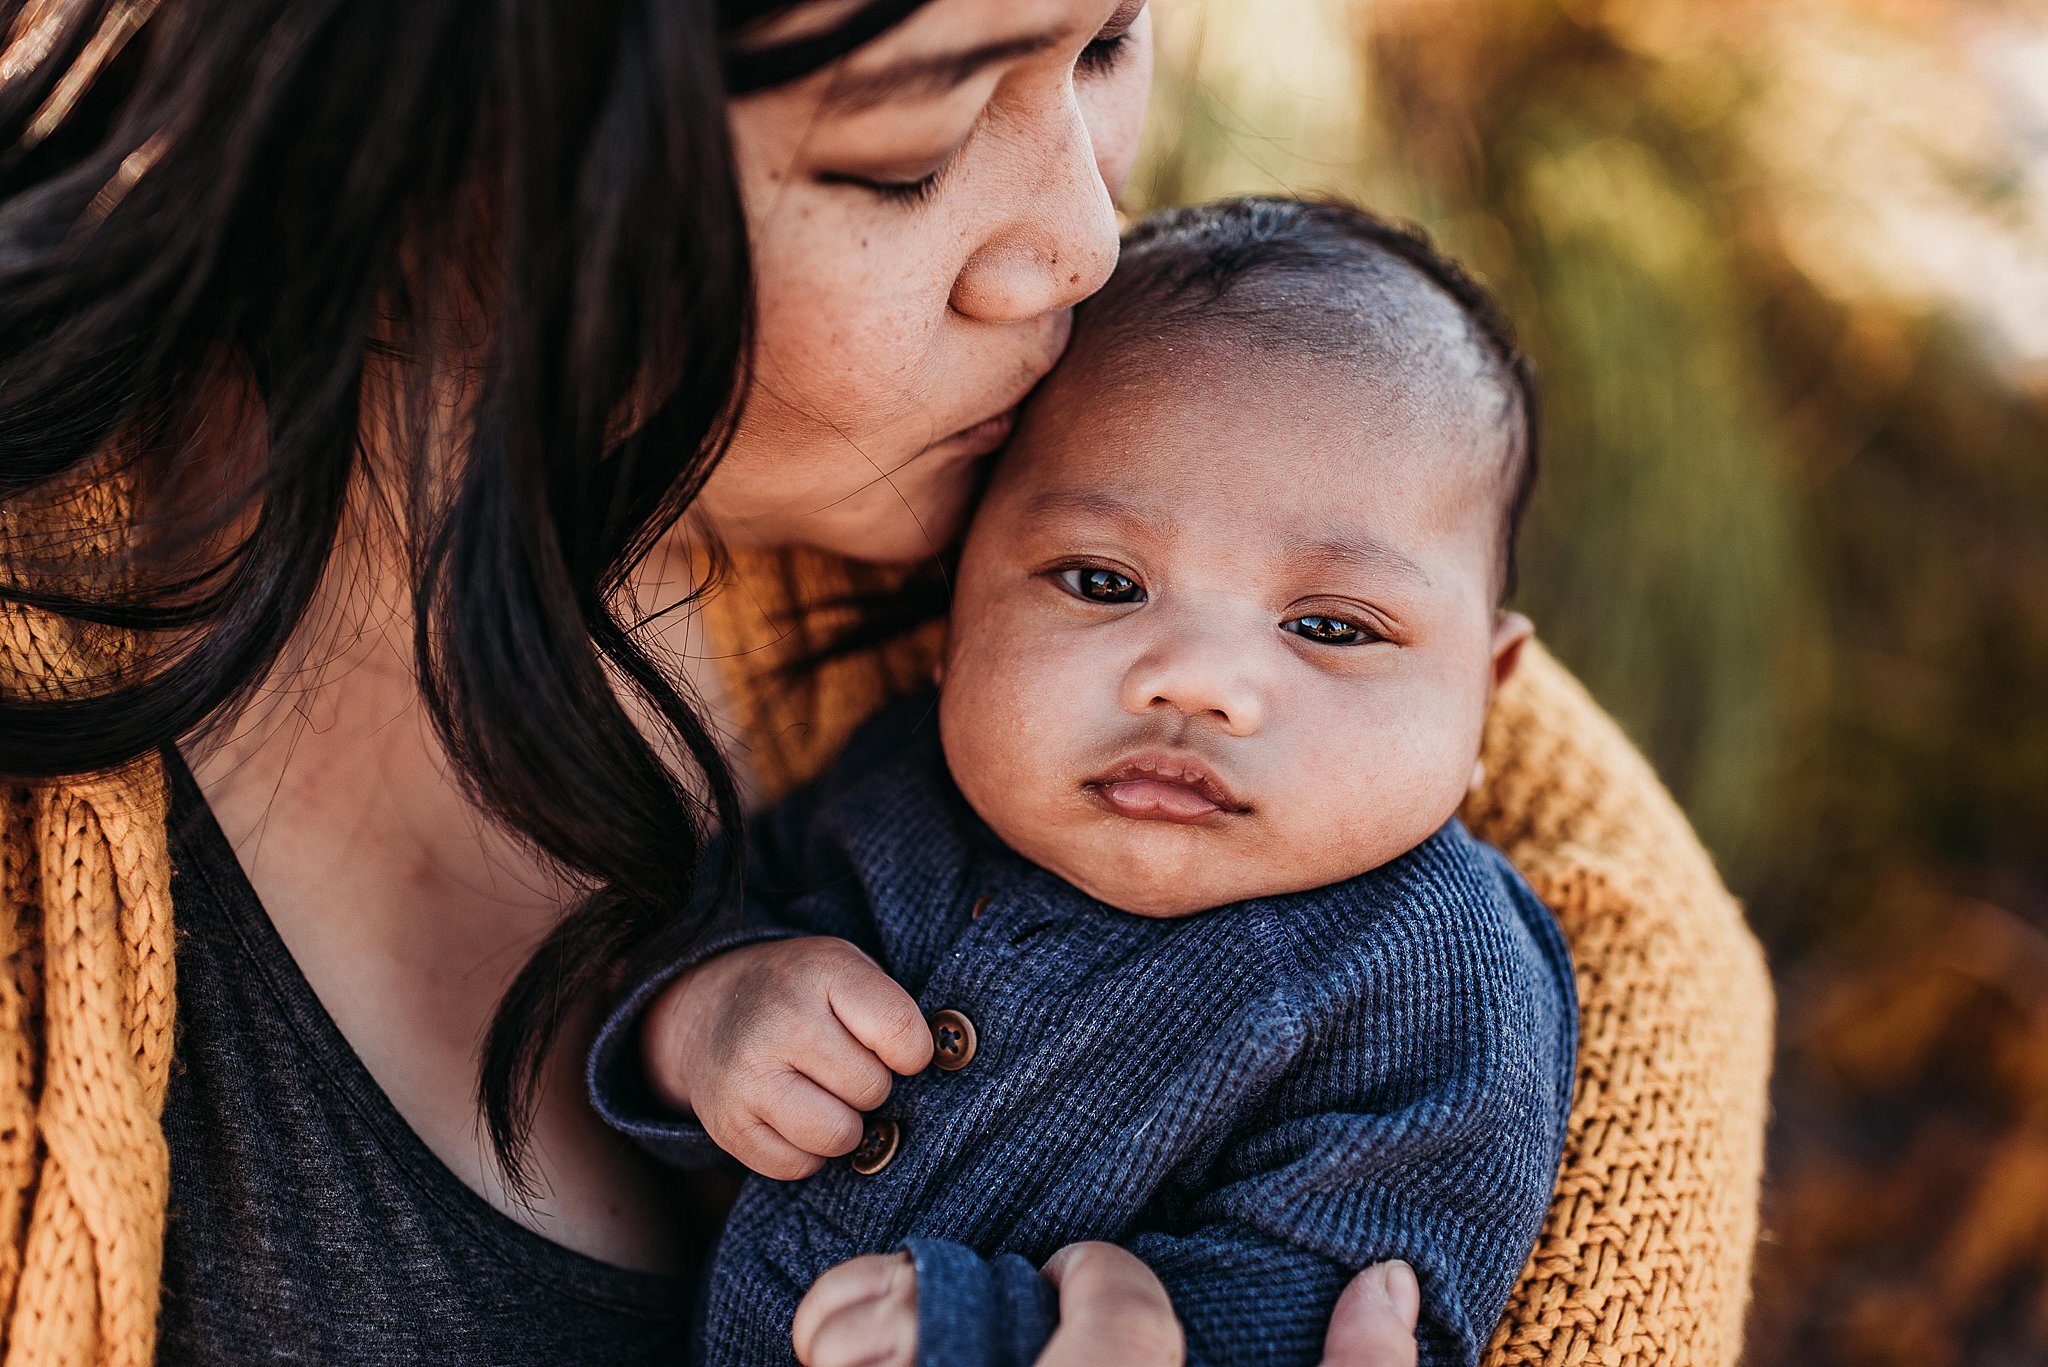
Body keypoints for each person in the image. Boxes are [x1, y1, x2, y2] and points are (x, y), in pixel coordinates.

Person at [0, 0, 1770, 1363]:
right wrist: (698, 1019)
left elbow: (1613, 906)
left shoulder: (992, 472)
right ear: (432, 143)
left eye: (1104, 42)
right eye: (904, 155)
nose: (1082, 244)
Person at [592, 197, 1578, 1367]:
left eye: (1330, 623)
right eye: (1102, 583)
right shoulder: (900, 791)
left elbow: (1358, 1303)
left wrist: (999, 1329)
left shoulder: (1430, 965)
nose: (1195, 683)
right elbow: (678, 928)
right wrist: (703, 1014)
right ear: (959, 607)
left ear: (1484, 693)